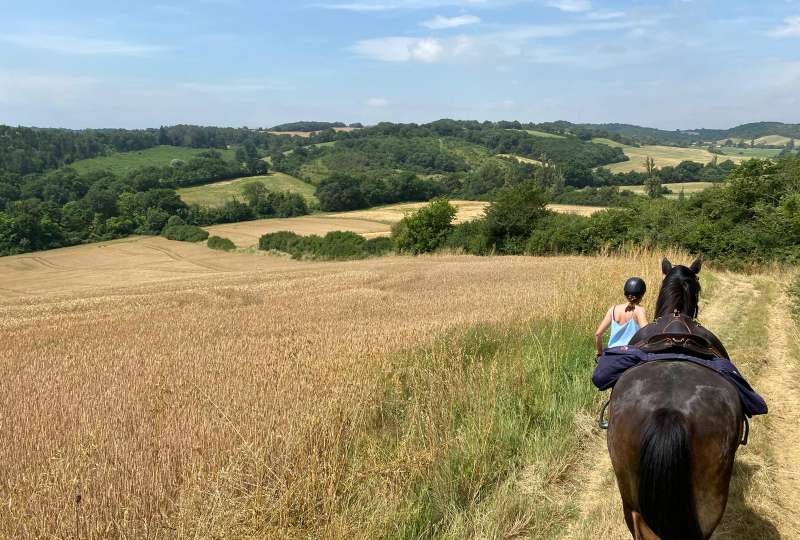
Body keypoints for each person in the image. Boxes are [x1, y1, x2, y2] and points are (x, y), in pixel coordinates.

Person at [595, 277, 648, 357]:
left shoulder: (613, 309)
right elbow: (646, 332)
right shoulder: (639, 310)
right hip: (630, 353)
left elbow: (598, 334)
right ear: (642, 294)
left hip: (611, 353)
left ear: (625, 293)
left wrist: (600, 353)